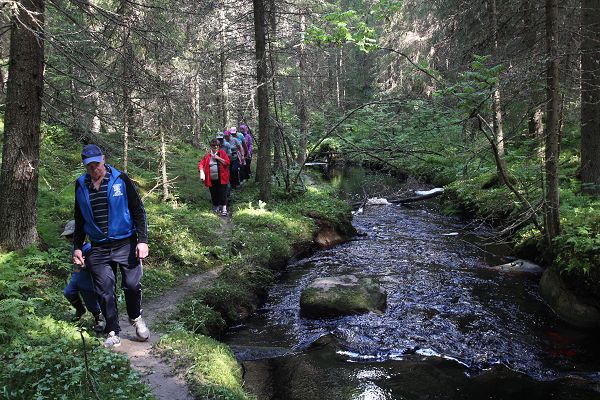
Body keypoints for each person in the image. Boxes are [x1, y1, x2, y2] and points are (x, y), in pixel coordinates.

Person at [73, 144, 150, 347]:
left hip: (126, 242)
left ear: (103, 159)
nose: (94, 169)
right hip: (98, 246)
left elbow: (138, 211)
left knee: (132, 285)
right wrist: (78, 247)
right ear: (85, 165)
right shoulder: (81, 185)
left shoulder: (120, 179)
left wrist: (142, 240)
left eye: (97, 164)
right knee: (105, 290)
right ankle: (112, 330)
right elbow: (79, 219)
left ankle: (136, 318)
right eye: (89, 166)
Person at [61, 220, 105, 333]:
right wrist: (75, 273)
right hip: (77, 277)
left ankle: (99, 318)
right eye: (68, 237)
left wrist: (84, 265)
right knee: (68, 292)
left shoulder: (89, 249)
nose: (70, 239)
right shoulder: (75, 249)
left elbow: (95, 267)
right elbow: (75, 266)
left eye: (72, 236)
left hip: (88, 280)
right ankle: (80, 309)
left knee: (91, 302)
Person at [199, 138, 230, 216]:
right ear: (211, 146)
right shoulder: (207, 155)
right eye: (213, 145)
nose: (215, 147)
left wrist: (218, 158)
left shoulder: (222, 153)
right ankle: (216, 206)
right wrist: (202, 172)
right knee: (213, 193)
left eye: (217, 145)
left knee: (222, 193)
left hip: (222, 178)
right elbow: (201, 164)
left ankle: (224, 208)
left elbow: (227, 162)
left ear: (219, 146)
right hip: (211, 178)